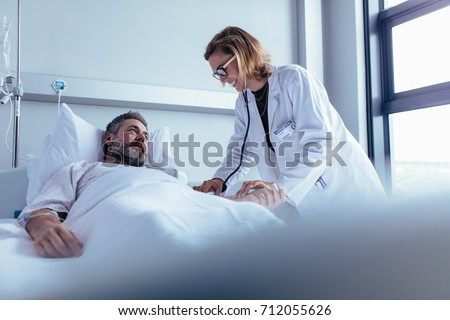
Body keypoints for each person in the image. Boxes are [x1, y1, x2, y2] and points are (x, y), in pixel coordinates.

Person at [18, 111, 285, 258]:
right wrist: (45, 227)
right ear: (109, 139)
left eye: (145, 136)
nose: (142, 139)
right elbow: (42, 208)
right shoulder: (81, 169)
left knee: (250, 226)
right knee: (150, 222)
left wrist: (243, 197)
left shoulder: (165, 175)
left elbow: (193, 204)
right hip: (121, 205)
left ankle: (245, 210)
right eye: (133, 131)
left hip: (175, 202)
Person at [193, 26, 386, 215]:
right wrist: (220, 179)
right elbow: (241, 152)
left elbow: (321, 143)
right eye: (216, 74)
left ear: (242, 54)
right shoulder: (244, 102)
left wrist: (277, 189)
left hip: (346, 191)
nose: (222, 80)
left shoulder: (294, 79)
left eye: (222, 70)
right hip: (307, 200)